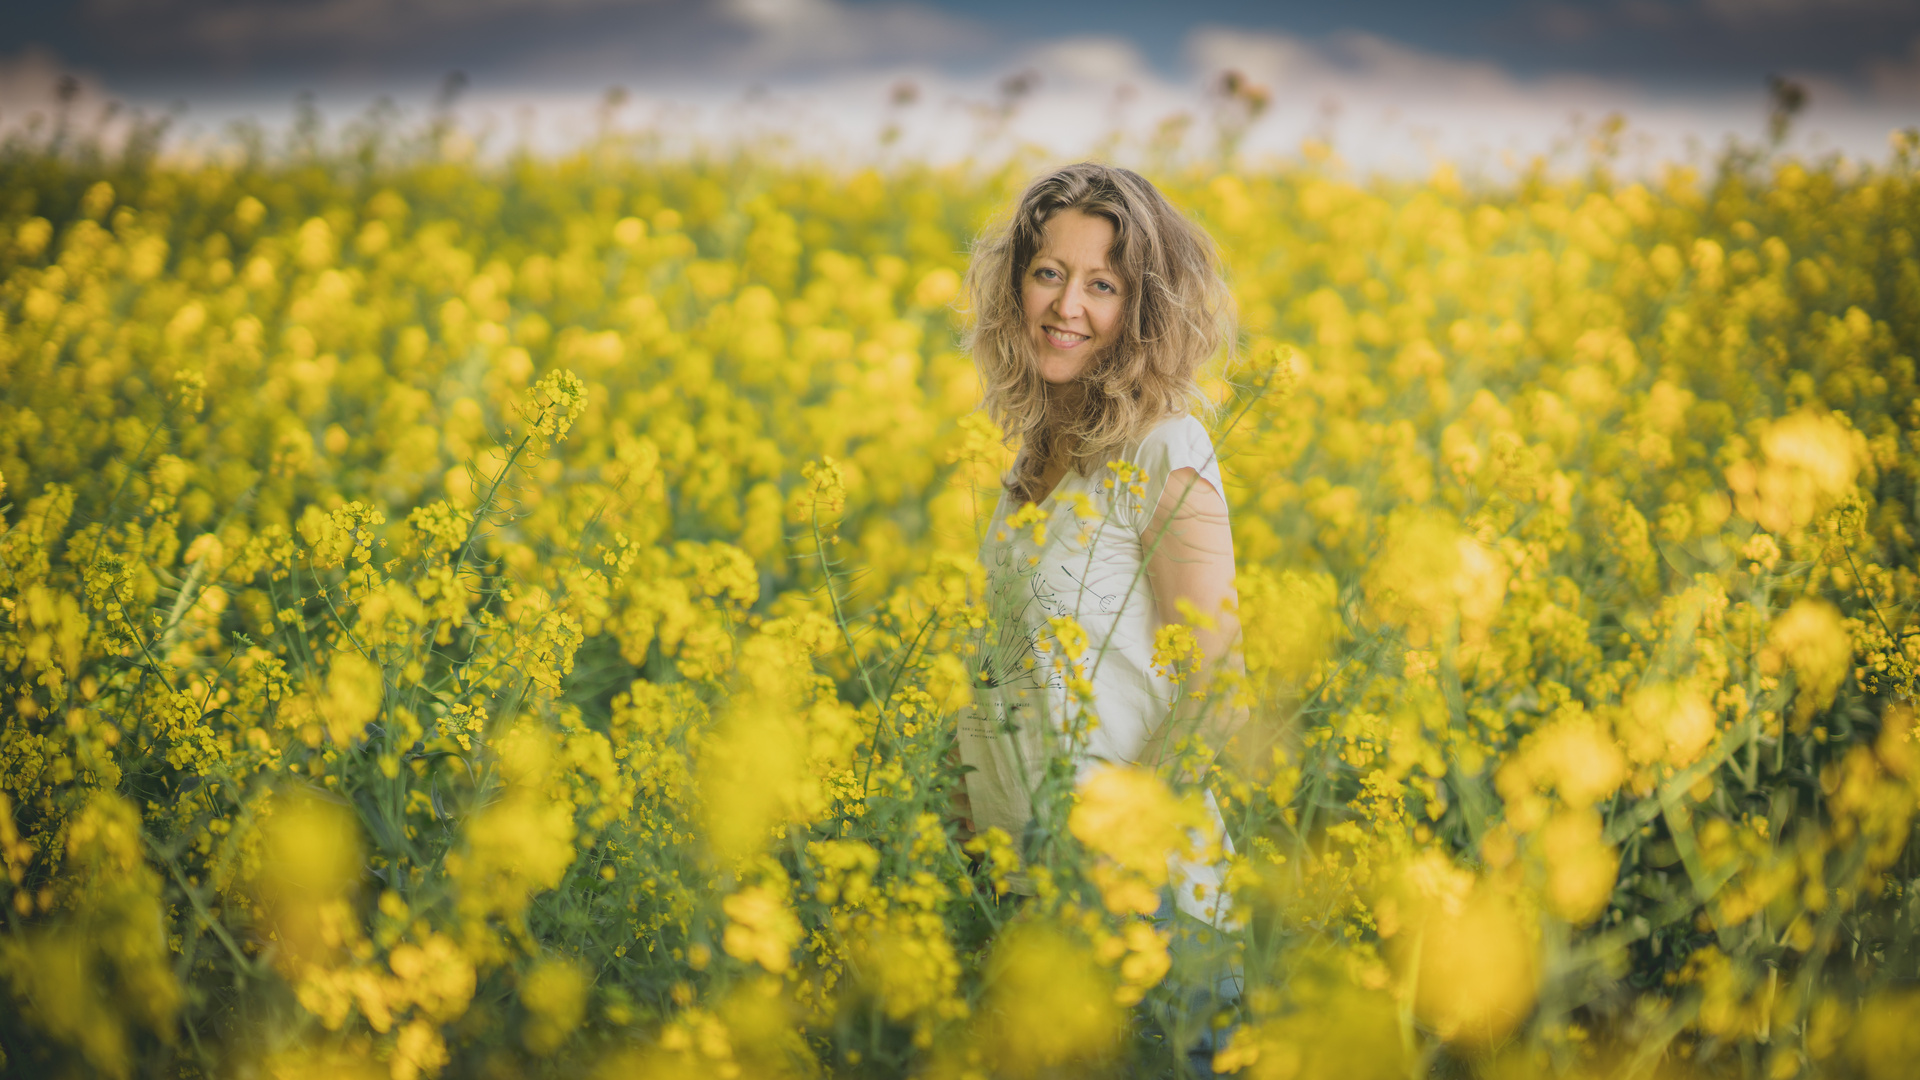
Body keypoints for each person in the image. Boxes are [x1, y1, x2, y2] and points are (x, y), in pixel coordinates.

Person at [952, 161, 1244, 932]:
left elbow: (1217, 688)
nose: (1066, 305)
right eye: (1048, 273)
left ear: (1144, 309)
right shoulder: (1027, 466)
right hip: (1021, 894)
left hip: (1140, 906)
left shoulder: (1166, 449)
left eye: (1103, 285)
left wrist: (1116, 864)